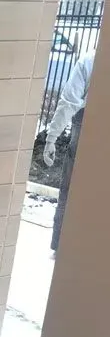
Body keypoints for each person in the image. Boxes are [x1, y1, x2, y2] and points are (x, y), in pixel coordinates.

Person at [44, 50, 95, 252]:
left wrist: (52, 138)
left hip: (85, 125)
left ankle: (61, 244)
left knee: (71, 186)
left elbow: (69, 101)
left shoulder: (90, 60)